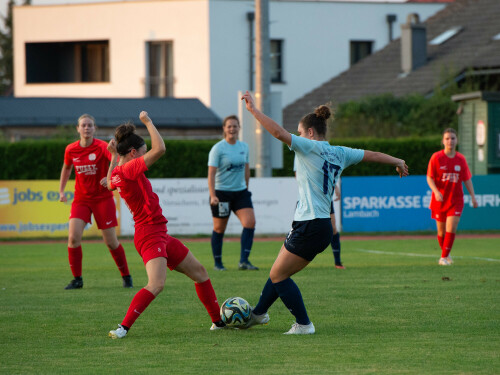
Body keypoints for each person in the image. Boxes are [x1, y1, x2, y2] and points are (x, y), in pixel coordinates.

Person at [241, 91, 408, 334]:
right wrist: (397, 160)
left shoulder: (309, 147)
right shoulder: (340, 152)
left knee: (278, 275)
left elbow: (278, 133)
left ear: (310, 133)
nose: (297, 137)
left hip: (310, 224)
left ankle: (304, 324)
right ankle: (258, 314)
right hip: (317, 225)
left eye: (299, 132)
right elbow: (371, 155)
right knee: (279, 270)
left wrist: (253, 111)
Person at [107, 111, 225, 339]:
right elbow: (160, 149)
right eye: (141, 152)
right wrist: (148, 122)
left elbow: (109, 184)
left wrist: (112, 157)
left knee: (200, 273)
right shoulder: (130, 169)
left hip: (158, 233)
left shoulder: (118, 173)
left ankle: (218, 323)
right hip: (150, 234)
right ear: (133, 153)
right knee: (156, 284)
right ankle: (122, 328)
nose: (144, 156)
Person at [59, 114, 133, 290]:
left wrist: (110, 178)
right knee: (73, 238)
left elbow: (117, 162)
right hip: (81, 200)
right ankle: (77, 279)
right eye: (83, 125)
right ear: (78, 129)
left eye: (89, 125)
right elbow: (66, 168)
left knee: (111, 242)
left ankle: (126, 276)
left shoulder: (102, 147)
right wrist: (61, 190)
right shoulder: (71, 149)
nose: (86, 128)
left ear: (94, 128)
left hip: (102, 199)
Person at [207, 115, 258, 271]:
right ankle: (218, 264)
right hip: (222, 194)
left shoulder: (244, 147)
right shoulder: (218, 148)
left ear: (239, 128)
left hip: (241, 192)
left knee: (250, 223)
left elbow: (247, 169)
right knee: (219, 229)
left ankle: (244, 261)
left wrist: (246, 188)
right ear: (224, 128)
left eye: (235, 126)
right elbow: (211, 174)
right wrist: (213, 194)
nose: (232, 129)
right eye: (229, 126)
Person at [426, 128, 478, 266]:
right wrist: (436, 191)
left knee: (452, 226)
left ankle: (443, 258)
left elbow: (467, 179)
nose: (450, 141)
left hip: (456, 200)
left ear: (457, 140)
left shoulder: (460, 159)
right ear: (443, 141)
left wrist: (473, 196)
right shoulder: (436, 157)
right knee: (441, 231)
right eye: (447, 138)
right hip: (439, 200)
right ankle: (447, 254)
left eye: (453, 138)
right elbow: (429, 178)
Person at [294, 157, 344, 269]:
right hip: (307, 200)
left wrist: (335, 187)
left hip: (325, 199)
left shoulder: (324, 152)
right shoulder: (300, 150)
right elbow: (298, 175)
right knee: (299, 232)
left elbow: (328, 172)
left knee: (333, 228)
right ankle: (293, 259)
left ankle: (338, 262)